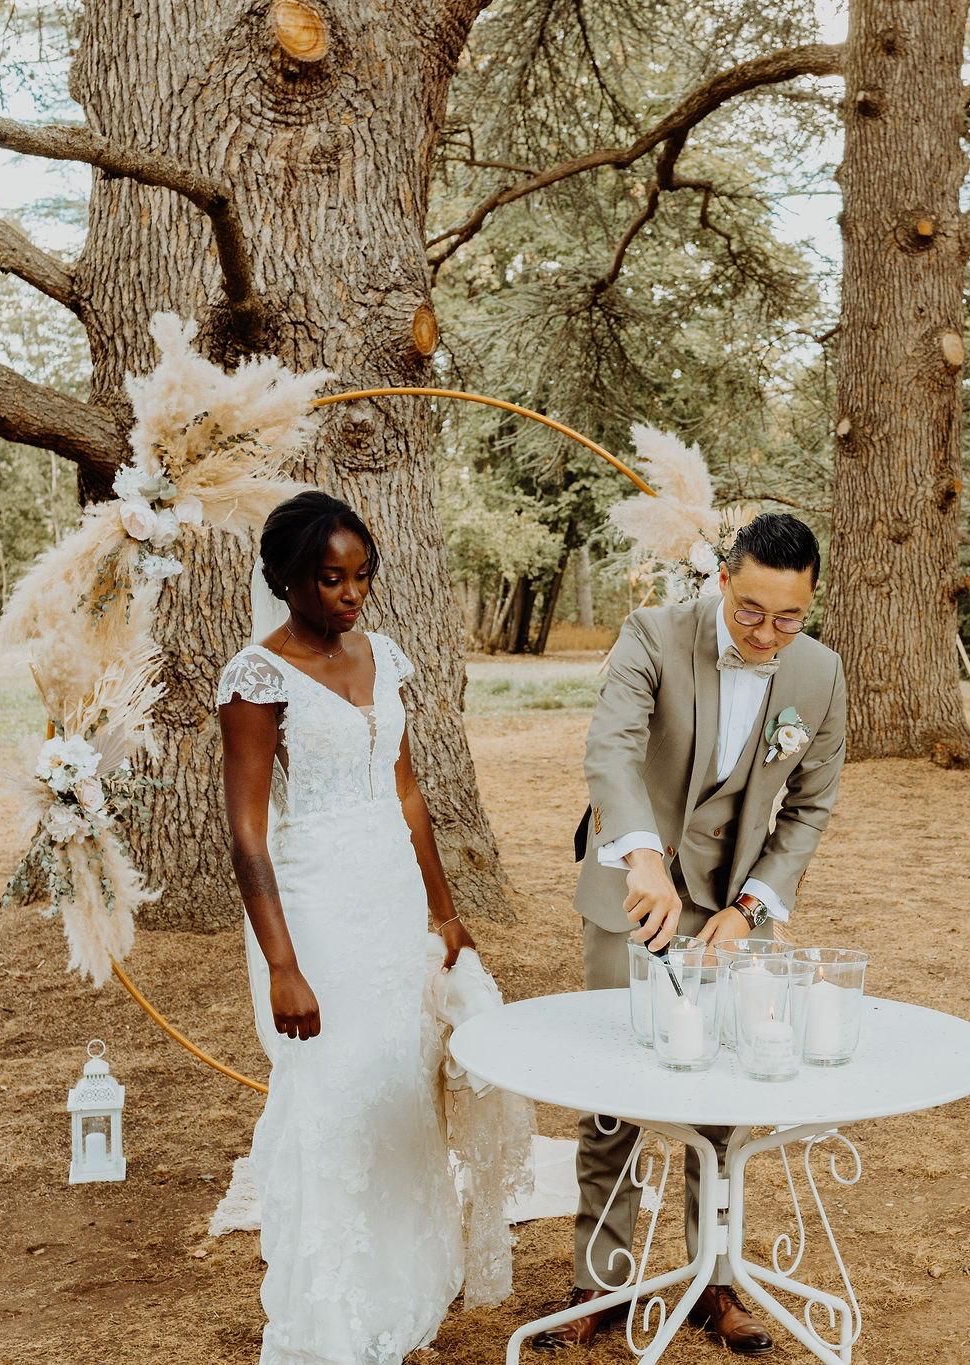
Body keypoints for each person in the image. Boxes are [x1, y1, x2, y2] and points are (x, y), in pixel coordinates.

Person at [535, 513, 847, 1355]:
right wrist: (639, 858)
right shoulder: (651, 634)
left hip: (728, 913)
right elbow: (611, 749)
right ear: (722, 581)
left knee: (719, 1107)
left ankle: (712, 1280)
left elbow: (812, 806)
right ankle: (599, 1281)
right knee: (616, 1097)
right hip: (633, 892)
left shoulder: (819, 673)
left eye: (789, 617)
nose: (767, 633)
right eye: (751, 611)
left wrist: (748, 910)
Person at [216, 491, 484, 1363]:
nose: (351, 594)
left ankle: (396, 1297)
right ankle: (331, 1325)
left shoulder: (384, 655)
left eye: (362, 576)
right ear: (287, 579)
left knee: (402, 1090)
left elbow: (407, 792)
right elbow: (247, 833)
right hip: (318, 908)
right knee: (334, 1101)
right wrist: (283, 963)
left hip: (393, 901)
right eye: (330, 578)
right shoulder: (256, 678)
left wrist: (443, 910)